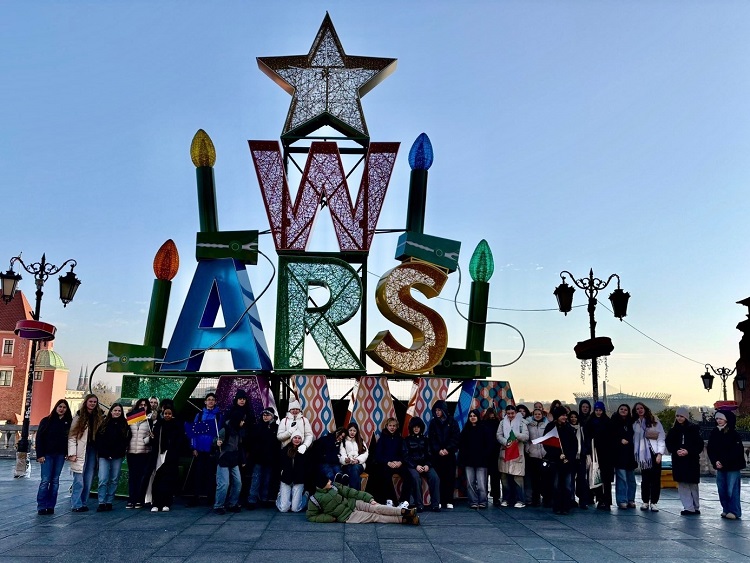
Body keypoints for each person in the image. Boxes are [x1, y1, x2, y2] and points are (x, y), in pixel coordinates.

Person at [307, 474, 420, 525]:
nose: (330, 482)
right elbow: (311, 516)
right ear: (321, 485)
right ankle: (404, 520)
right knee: (375, 517)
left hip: (353, 503)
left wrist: (369, 498)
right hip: (347, 516)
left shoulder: (334, 486)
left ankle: (404, 512)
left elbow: (351, 492)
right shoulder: (315, 499)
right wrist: (329, 518)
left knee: (376, 507)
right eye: (327, 482)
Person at [67, 394, 104, 512]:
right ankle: (76, 504)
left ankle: (83, 502)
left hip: (93, 449)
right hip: (81, 449)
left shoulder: (100, 416)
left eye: (95, 402)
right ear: (86, 402)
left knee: (88, 478)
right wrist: (71, 453)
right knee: (79, 478)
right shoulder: (79, 416)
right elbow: (72, 436)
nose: (93, 403)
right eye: (91, 401)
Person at [213, 391, 248, 514]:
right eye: (241, 420)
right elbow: (215, 440)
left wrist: (242, 460)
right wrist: (217, 443)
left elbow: (240, 447)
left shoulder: (238, 431)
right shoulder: (225, 429)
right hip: (224, 458)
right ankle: (218, 505)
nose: (243, 422)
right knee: (224, 484)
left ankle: (232, 503)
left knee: (238, 483)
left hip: (234, 459)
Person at [707, 411, 746, 520]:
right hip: (719, 465)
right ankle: (726, 509)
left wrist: (723, 461)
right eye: (717, 419)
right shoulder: (714, 432)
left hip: (732, 466)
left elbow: (736, 451)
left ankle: (734, 511)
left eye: (721, 418)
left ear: (726, 420)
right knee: (722, 489)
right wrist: (715, 461)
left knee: (732, 489)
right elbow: (710, 449)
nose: (718, 420)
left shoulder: (733, 434)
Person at [36, 399, 72, 515]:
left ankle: (51, 505)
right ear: (56, 407)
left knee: (55, 480)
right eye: (60, 407)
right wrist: (40, 454)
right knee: (45, 480)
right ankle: (41, 505)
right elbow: (39, 438)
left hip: (60, 455)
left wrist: (67, 452)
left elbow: (70, 439)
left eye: (64, 407)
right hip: (47, 455)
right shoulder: (46, 421)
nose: (62, 409)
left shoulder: (68, 423)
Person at [666, 407, 704, 516]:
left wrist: (688, 451)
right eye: (677, 416)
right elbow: (669, 444)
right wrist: (676, 451)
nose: (679, 418)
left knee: (692, 484)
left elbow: (699, 445)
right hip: (679, 461)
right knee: (682, 484)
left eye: (681, 416)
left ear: (686, 417)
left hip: (691, 460)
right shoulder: (673, 430)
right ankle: (689, 507)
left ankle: (695, 506)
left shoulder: (694, 429)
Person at [186, 393, 222, 506]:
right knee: (197, 474)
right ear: (205, 402)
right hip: (200, 449)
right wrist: (194, 447)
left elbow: (220, 432)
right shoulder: (200, 415)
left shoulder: (219, 415)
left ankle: (210, 498)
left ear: (215, 402)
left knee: (211, 475)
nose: (210, 401)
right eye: (208, 400)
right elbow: (193, 432)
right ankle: (195, 498)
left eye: (212, 400)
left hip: (212, 449)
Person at [96, 403, 131, 512]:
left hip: (117, 456)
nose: (117, 412)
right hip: (104, 456)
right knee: (103, 479)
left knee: (114, 479)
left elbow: (126, 440)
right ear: (111, 411)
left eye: (119, 411)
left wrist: (118, 452)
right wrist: (106, 453)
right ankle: (101, 502)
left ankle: (109, 501)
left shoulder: (125, 425)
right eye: (115, 410)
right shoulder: (104, 423)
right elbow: (99, 440)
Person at [150, 405, 186, 512]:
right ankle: (156, 503)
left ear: (172, 414)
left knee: (168, 481)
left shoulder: (177, 426)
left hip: (171, 457)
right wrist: (152, 437)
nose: (167, 416)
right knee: (157, 480)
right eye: (165, 413)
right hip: (159, 456)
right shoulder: (158, 425)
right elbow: (154, 442)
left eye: (169, 414)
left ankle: (166, 503)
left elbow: (180, 441)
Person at [543, 407, 577, 515]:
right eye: (562, 415)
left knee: (567, 485)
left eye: (565, 415)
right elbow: (546, 443)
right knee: (556, 484)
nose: (565, 417)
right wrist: (556, 455)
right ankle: (557, 506)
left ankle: (566, 506)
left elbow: (574, 444)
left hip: (567, 462)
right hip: (555, 461)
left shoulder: (568, 428)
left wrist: (569, 457)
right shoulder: (551, 427)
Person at [632, 401, 666, 512]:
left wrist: (660, 454)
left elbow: (661, 438)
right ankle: (645, 501)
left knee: (655, 479)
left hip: (654, 453)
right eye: (637, 409)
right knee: (645, 479)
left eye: (641, 408)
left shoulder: (654, 422)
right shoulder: (635, 424)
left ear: (645, 409)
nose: (639, 410)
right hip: (643, 455)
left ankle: (654, 502)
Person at [426, 400, 459, 510]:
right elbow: (431, 439)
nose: (437, 412)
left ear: (444, 410)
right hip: (437, 456)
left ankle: (449, 500)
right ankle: (438, 500)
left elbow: (455, 438)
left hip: (449, 456)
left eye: (439, 410)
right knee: (438, 478)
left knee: (449, 478)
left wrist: (447, 449)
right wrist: (438, 450)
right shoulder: (433, 423)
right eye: (436, 410)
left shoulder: (452, 422)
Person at [402, 417, 440, 512]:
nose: (416, 429)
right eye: (414, 427)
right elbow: (405, 456)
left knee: (435, 477)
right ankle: (419, 505)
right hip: (412, 466)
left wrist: (427, 465)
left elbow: (430, 454)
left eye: (418, 427)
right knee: (415, 478)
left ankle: (435, 504)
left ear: (421, 428)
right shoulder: (406, 440)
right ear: (411, 428)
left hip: (425, 465)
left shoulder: (426, 440)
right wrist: (415, 466)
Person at [246, 407, 280, 510]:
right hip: (258, 458)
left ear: (272, 416)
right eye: (264, 415)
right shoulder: (257, 426)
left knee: (267, 480)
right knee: (256, 479)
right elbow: (251, 441)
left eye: (268, 415)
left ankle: (264, 499)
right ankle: (252, 500)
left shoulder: (276, 427)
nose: (265, 417)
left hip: (270, 458)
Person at [497, 404, 529, 508]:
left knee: (518, 478)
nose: (510, 415)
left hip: (517, 452)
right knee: (504, 478)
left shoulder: (522, 423)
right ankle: (506, 499)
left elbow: (526, 436)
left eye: (512, 413)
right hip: (505, 451)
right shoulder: (502, 423)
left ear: (516, 413)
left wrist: (515, 435)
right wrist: (506, 442)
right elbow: (498, 435)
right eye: (509, 413)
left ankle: (520, 500)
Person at [458, 409, 491, 509]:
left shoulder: (484, 429)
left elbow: (488, 444)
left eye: (474, 416)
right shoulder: (466, 429)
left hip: (481, 461)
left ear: (478, 417)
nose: (472, 417)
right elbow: (462, 445)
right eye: (470, 416)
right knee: (470, 483)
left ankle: (482, 501)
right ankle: (473, 501)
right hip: (469, 461)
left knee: (481, 483)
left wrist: (485, 455)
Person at [373, 418, 409, 506]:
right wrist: (387, 462)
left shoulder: (400, 439)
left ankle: (403, 501)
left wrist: (400, 462)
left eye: (394, 426)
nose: (392, 428)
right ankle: (391, 500)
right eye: (390, 426)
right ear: (387, 426)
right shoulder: (382, 439)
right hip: (387, 464)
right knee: (385, 475)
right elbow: (378, 455)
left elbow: (404, 453)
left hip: (398, 464)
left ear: (396, 427)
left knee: (408, 476)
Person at [585, 401, 614, 510]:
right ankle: (600, 499)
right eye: (596, 410)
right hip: (594, 452)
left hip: (606, 453)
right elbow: (587, 436)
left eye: (600, 410)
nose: (598, 412)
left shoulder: (607, 421)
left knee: (606, 479)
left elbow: (611, 436)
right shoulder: (590, 421)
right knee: (596, 476)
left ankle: (607, 501)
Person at [125, 398, 153, 509]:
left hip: (144, 452)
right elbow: (127, 434)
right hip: (131, 452)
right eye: (141, 404)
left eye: (145, 405)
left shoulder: (149, 420)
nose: (143, 406)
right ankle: (131, 499)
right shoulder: (131, 419)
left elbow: (150, 437)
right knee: (133, 476)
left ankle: (139, 500)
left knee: (142, 477)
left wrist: (148, 439)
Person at [612, 404, 636, 509]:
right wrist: (619, 440)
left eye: (626, 409)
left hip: (630, 455)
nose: (623, 411)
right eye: (621, 409)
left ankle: (631, 499)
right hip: (619, 455)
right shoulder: (614, 421)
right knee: (622, 478)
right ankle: (622, 500)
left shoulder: (631, 422)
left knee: (631, 479)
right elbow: (610, 435)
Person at [277, 431, 308, 512]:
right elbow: (279, 464)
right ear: (292, 439)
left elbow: (307, 467)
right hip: (286, 479)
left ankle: (305, 496)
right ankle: (280, 495)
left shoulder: (304, 451)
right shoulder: (285, 450)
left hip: (298, 480)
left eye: (299, 438)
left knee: (295, 508)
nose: (297, 440)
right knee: (284, 509)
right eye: (295, 438)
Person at [525, 407, 547, 507]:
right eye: (536, 414)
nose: (537, 416)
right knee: (534, 479)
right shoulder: (529, 426)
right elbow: (527, 439)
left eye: (539, 414)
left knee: (543, 478)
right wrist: (528, 449)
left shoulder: (545, 425)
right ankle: (535, 498)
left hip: (543, 454)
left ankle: (544, 497)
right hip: (532, 454)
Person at [567, 410, 590, 509]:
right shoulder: (567, 428)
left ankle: (583, 500)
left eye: (575, 417)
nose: (573, 419)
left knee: (582, 480)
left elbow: (586, 441)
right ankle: (571, 499)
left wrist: (585, 451)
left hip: (581, 457)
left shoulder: (582, 428)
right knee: (570, 479)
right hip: (570, 458)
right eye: (571, 417)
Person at [339, 422, 368, 491]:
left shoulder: (360, 441)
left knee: (354, 468)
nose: (352, 432)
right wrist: (346, 460)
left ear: (357, 432)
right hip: (347, 465)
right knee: (352, 471)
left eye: (354, 431)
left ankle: (353, 494)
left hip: (359, 464)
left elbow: (365, 453)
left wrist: (358, 460)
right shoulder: (343, 441)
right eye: (350, 430)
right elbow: (342, 454)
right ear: (348, 431)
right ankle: (357, 495)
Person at [482, 407, 501, 506]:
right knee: (495, 477)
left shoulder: (483, 424)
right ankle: (496, 497)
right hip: (495, 453)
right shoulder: (498, 423)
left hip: (486, 453)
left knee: (483, 477)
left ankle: (484, 496)